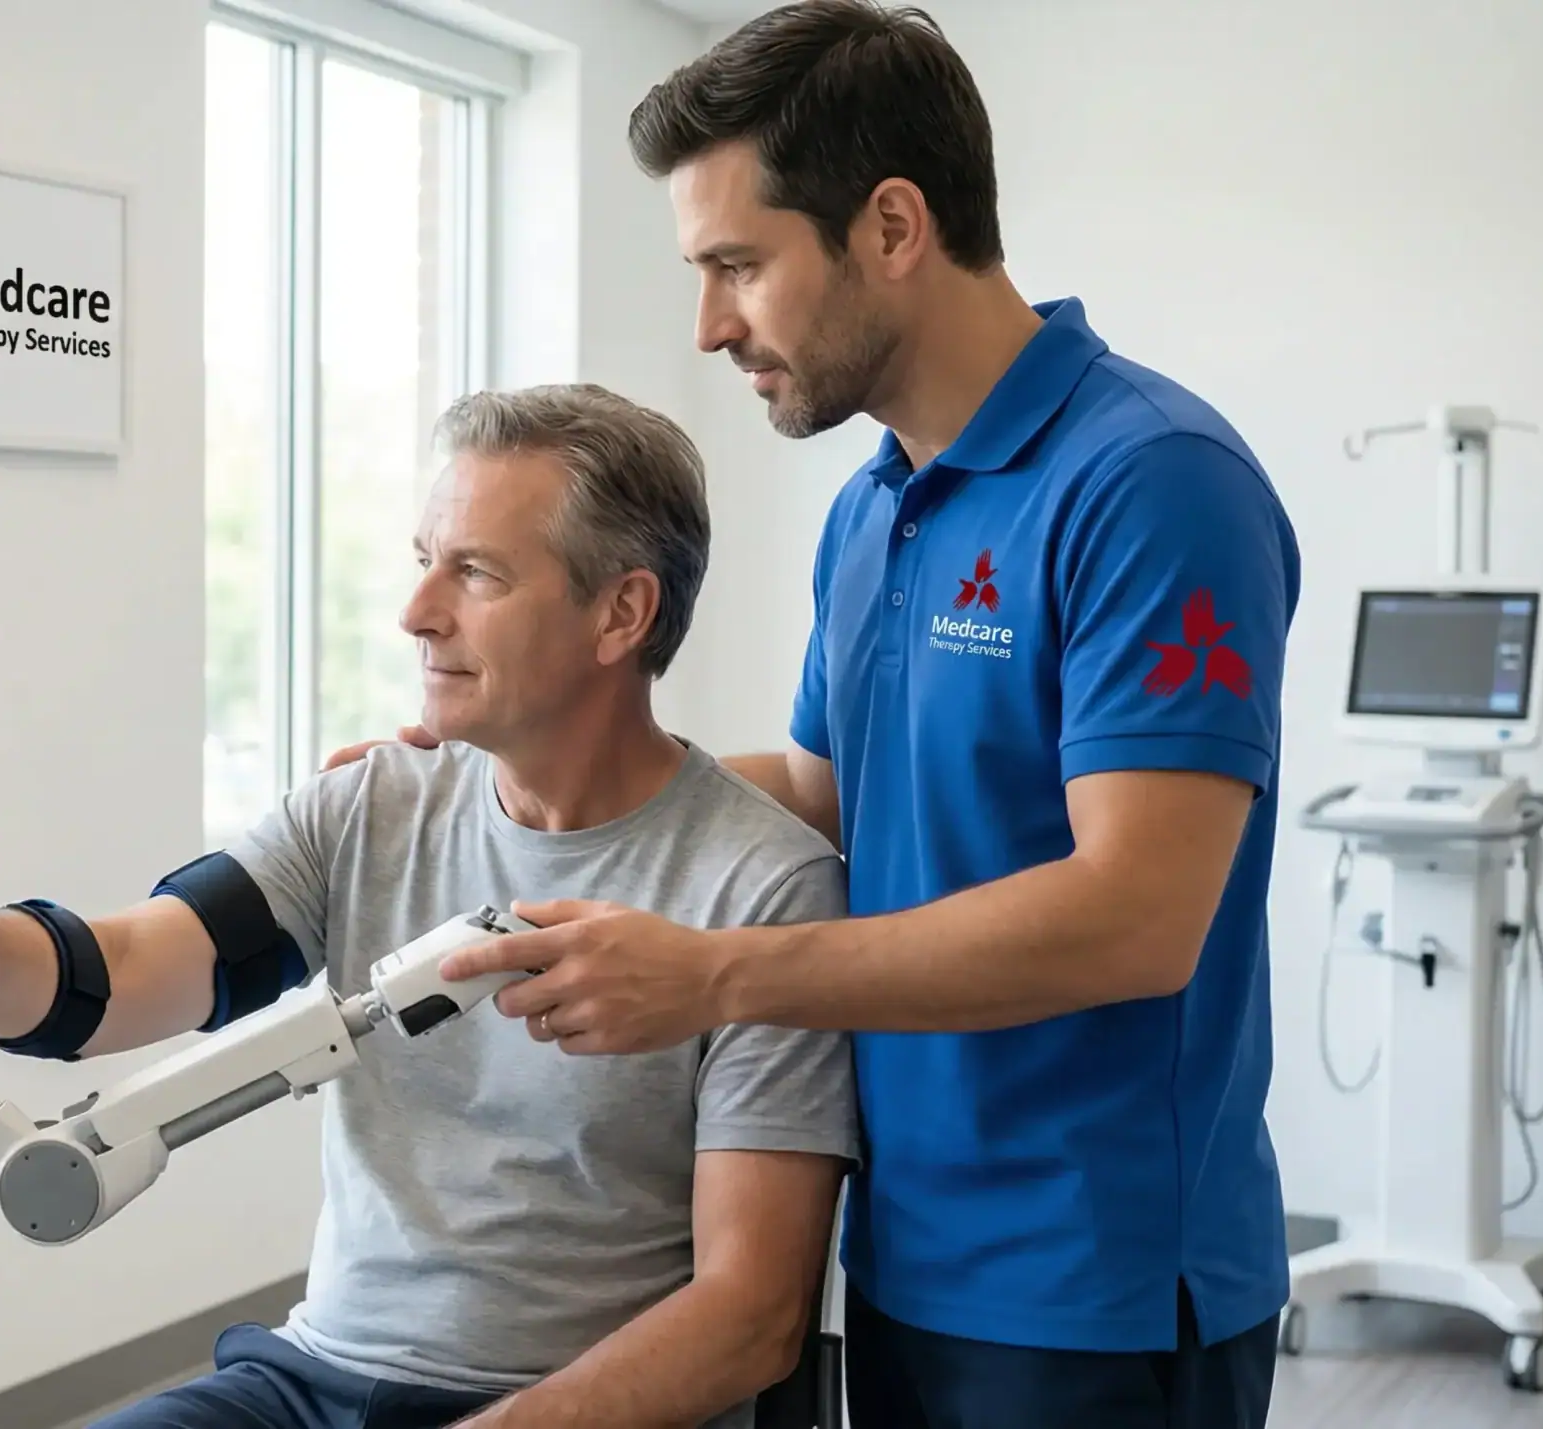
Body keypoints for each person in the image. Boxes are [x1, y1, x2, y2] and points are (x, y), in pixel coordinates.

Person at [334, 5, 1301, 1427]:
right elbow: (821, 784)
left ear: (893, 226)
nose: (711, 324)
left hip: (1094, 1282)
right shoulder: (874, 509)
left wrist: (718, 974)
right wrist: (519, 768)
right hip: (902, 1247)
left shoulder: (1151, 484)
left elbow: (1138, 916)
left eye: (740, 265)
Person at [0, 384, 858, 1429]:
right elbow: (104, 982)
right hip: (307, 1378)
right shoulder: (369, 805)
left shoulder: (761, 890)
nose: (415, 612)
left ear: (622, 614)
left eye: (475, 574)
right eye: (422, 559)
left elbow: (748, 1316)